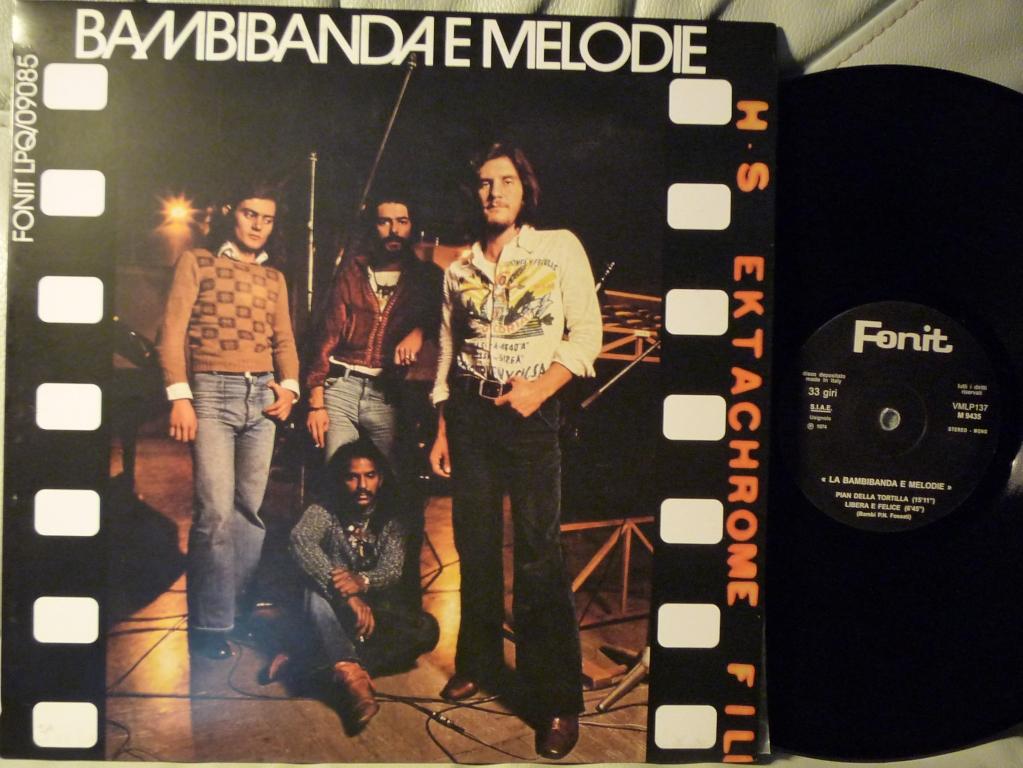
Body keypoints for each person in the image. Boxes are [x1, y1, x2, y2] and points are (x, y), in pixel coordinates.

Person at [429, 143, 603, 759]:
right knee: (474, 544)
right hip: (470, 415)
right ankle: (478, 662)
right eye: (484, 182)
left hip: (531, 415)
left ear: (524, 190)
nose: (494, 191)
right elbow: (448, 350)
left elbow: (587, 335)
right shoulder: (458, 268)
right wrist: (443, 426)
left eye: (505, 180)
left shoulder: (558, 247)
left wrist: (539, 388)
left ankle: (554, 698)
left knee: (537, 551)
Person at [156, 181, 300, 660]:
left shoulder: (274, 278)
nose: (258, 225)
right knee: (214, 513)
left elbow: (283, 340)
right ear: (229, 213)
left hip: (262, 399)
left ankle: (237, 613)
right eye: (248, 214)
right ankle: (210, 625)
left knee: (248, 514)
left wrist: (290, 387)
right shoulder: (197, 261)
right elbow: (172, 332)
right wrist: (180, 396)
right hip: (211, 395)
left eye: (267, 218)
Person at [286, 440, 440, 730]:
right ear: (340, 479)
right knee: (313, 593)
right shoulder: (325, 508)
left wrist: (363, 582)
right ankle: (352, 676)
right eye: (352, 477)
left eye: (370, 476)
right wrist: (346, 595)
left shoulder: (393, 514)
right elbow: (300, 540)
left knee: (427, 630)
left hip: (371, 611)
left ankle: (315, 660)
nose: (362, 486)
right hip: (333, 608)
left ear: (380, 478)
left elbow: (391, 570)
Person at [305, 194, 442, 466]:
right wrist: (316, 402)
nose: (394, 230)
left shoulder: (426, 277)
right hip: (341, 387)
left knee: (391, 479)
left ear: (412, 225)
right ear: (373, 226)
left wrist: (419, 332)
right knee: (338, 474)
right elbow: (326, 338)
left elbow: (445, 322)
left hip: (390, 394)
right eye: (384, 222)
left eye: (402, 221)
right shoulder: (352, 272)